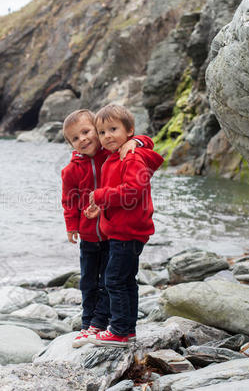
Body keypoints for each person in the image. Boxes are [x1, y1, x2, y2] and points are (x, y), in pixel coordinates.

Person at [60, 109, 154, 348]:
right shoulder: (71, 170)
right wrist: (72, 225)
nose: (82, 139)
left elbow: (145, 144)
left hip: (113, 231)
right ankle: (87, 324)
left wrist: (136, 140)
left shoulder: (113, 153)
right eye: (75, 138)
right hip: (90, 234)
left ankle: (102, 324)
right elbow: (69, 200)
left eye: (86, 132)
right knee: (89, 282)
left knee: (110, 280)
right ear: (70, 144)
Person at [86, 104, 163, 347]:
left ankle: (119, 329)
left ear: (129, 131)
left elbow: (132, 193)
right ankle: (127, 328)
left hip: (128, 232)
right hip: (123, 230)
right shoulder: (114, 157)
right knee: (126, 280)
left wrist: (100, 195)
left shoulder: (131, 156)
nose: (107, 136)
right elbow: (122, 195)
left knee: (115, 280)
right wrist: (100, 207)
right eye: (102, 132)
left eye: (113, 129)